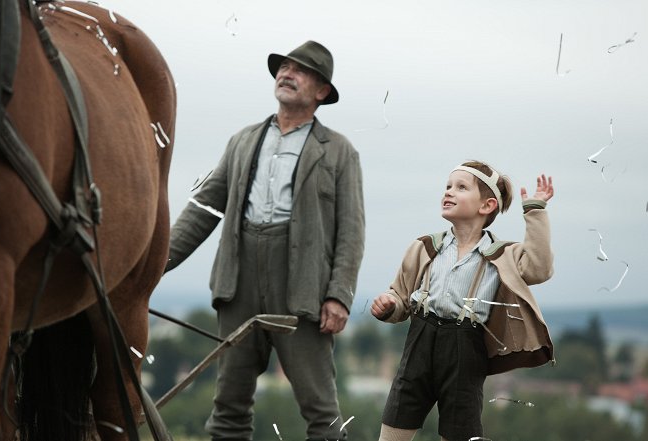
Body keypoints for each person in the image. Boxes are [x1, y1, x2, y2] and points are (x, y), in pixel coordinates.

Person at [165, 40, 364, 441]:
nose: (287, 74)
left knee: (321, 413)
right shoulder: (242, 141)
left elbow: (351, 230)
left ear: (321, 91)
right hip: (238, 282)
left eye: (301, 70)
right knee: (229, 409)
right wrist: (152, 262)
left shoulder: (340, 151)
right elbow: (204, 208)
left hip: (304, 290)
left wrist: (339, 296)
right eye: (284, 67)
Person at [370, 161, 555, 441]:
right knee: (396, 420)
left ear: (487, 205)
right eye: (447, 186)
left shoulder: (503, 254)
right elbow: (401, 296)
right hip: (419, 344)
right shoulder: (425, 247)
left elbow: (540, 268)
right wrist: (389, 305)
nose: (449, 192)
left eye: (461, 187)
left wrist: (536, 211)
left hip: (466, 349)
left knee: (460, 431)